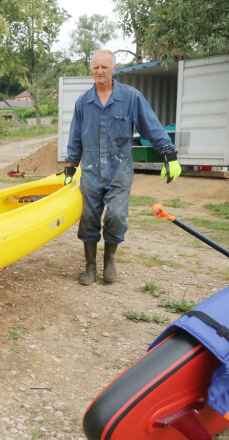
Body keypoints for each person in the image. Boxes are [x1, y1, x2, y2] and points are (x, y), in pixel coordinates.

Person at [64, 49, 181, 286]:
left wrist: (169, 154)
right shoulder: (83, 102)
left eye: (104, 67)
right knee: (88, 218)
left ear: (113, 69)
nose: (99, 71)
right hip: (91, 170)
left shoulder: (131, 97)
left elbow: (151, 127)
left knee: (117, 216)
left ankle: (109, 261)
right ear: (91, 69)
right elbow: (75, 137)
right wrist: (70, 167)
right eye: (96, 67)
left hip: (120, 170)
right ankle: (89, 266)